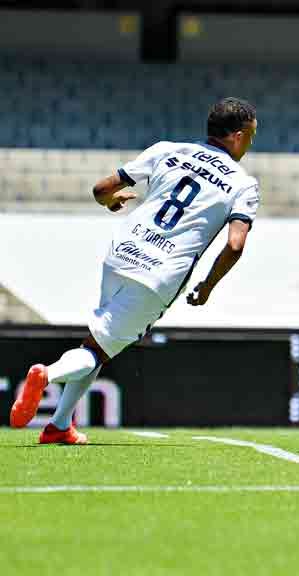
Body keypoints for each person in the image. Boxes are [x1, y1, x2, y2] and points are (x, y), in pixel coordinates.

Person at [9, 97, 261, 444]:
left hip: (122, 251)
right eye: (250, 136)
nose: (250, 144)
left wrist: (110, 203)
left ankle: (59, 425)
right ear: (235, 135)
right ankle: (47, 374)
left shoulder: (168, 150)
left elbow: (101, 189)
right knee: (96, 350)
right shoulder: (242, 184)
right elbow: (235, 245)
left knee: (98, 338)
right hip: (159, 273)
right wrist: (208, 286)